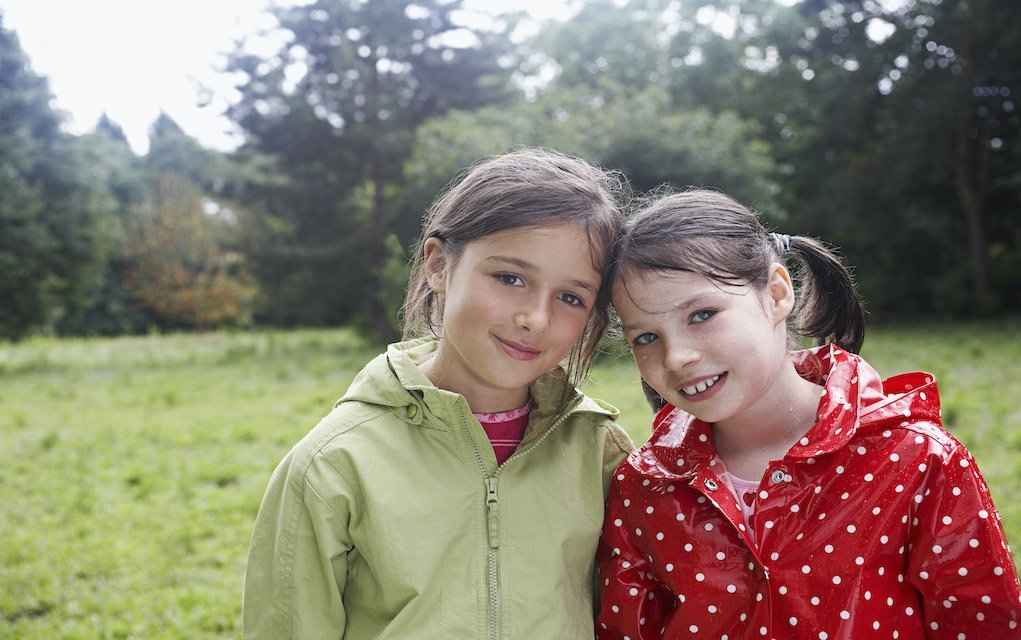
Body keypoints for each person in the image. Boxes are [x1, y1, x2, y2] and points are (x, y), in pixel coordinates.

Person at [242, 148, 635, 640]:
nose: (535, 317)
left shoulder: (605, 456)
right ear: (438, 266)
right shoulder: (332, 465)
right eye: (510, 278)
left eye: (570, 297)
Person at [596, 189, 1021, 639]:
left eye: (702, 314)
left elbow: (984, 626)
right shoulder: (643, 485)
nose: (677, 356)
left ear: (777, 294)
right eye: (645, 337)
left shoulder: (919, 460)